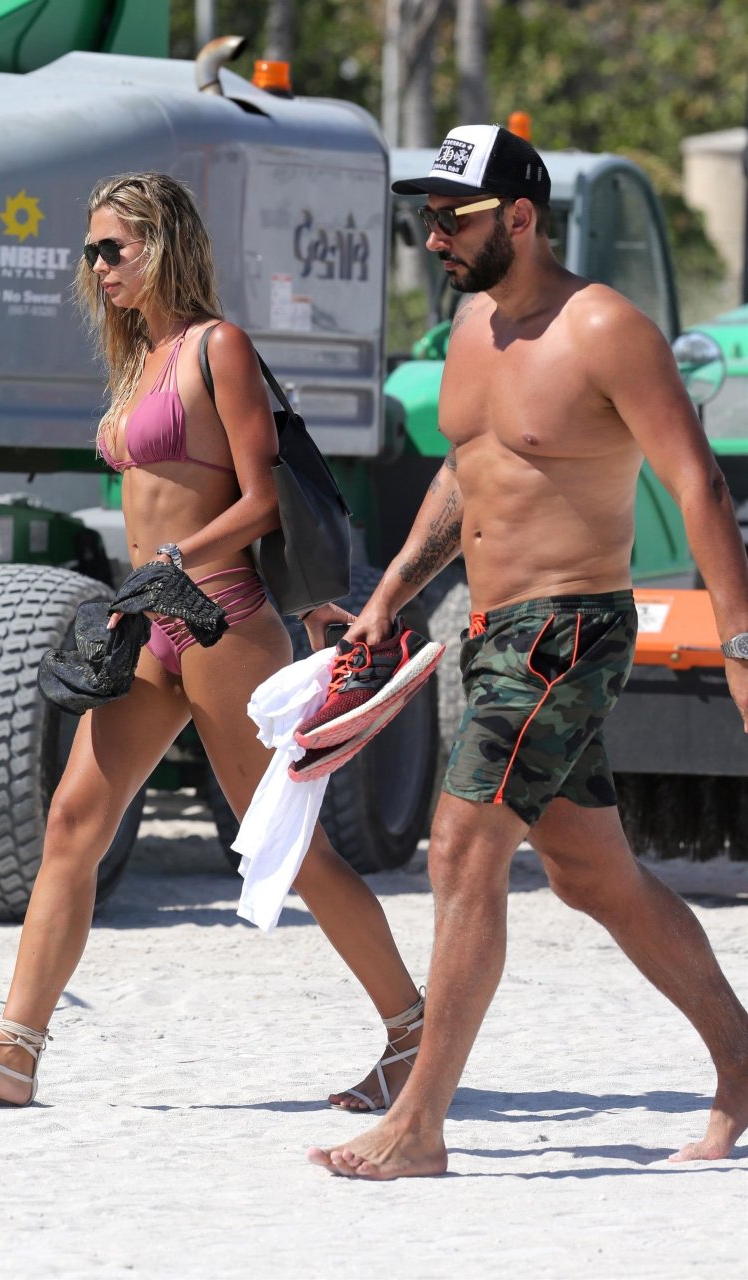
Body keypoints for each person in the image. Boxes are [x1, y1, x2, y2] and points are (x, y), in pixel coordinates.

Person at [0, 171, 423, 1110]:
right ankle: (14, 1053)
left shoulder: (218, 347)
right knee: (72, 823)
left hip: (221, 617)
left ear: (165, 243)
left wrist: (181, 555)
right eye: (91, 251)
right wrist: (145, 581)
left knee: (286, 845)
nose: (98, 266)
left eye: (115, 248)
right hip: (149, 620)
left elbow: (261, 501)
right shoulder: (141, 356)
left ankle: (413, 1033)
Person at [308, 124, 748, 1179]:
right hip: (490, 629)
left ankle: (418, 1125)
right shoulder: (470, 328)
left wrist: (737, 642)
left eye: (451, 218)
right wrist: (391, 593)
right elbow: (463, 473)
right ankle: (743, 1059)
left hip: (566, 630)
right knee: (593, 874)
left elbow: (696, 481)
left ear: (518, 216)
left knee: (459, 847)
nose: (433, 237)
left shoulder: (604, 328)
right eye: (425, 218)